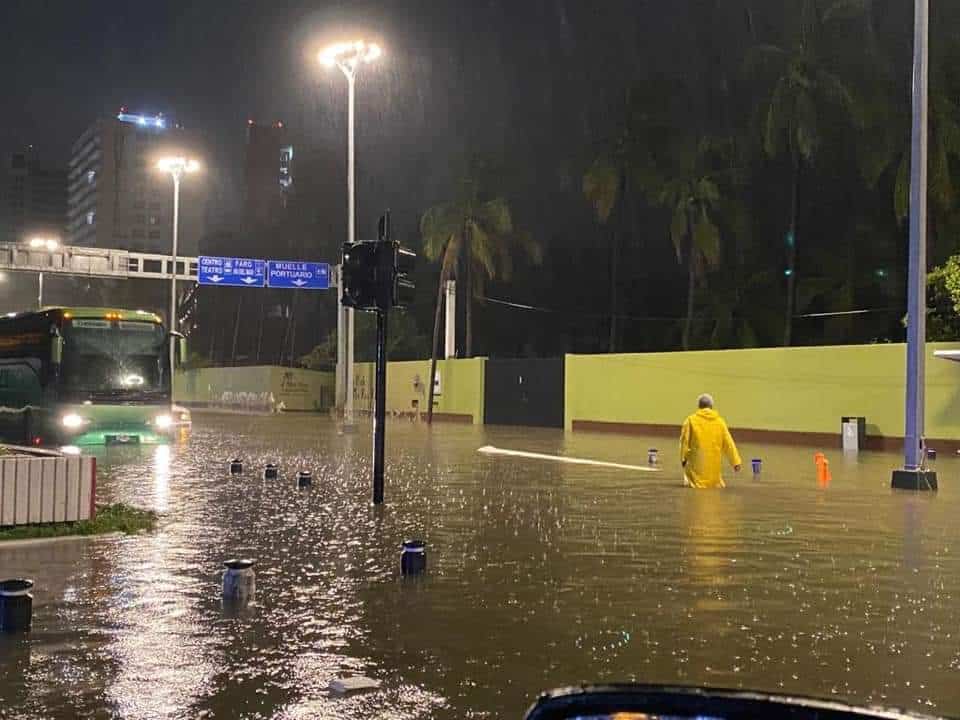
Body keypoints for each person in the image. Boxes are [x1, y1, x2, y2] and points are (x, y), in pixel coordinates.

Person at [680, 393, 742, 489]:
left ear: (699, 406)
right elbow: (729, 443)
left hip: (697, 471)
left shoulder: (690, 421)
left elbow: (684, 442)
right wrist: (736, 462)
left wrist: (683, 459)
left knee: (692, 484)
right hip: (714, 474)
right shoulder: (720, 422)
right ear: (711, 406)